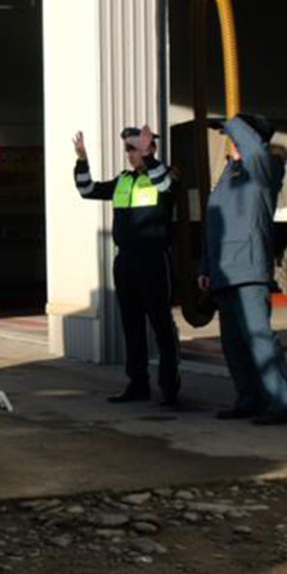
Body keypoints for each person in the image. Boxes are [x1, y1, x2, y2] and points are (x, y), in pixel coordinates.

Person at [199, 113, 287, 425]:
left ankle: (281, 403)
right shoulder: (231, 174)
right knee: (234, 344)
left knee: (259, 339)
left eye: (237, 135)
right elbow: (214, 222)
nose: (231, 141)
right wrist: (206, 266)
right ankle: (249, 398)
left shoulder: (263, 168)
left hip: (248, 269)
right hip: (224, 271)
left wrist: (231, 122)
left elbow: (254, 149)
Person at [73, 124, 181, 405]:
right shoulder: (123, 180)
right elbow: (87, 190)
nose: (129, 154)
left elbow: (166, 186)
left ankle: (169, 387)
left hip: (153, 260)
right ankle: (138, 383)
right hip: (126, 261)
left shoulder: (165, 175)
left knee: (160, 324)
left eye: (134, 149)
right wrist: (82, 160)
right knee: (131, 324)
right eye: (128, 149)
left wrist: (149, 157)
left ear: (149, 149)